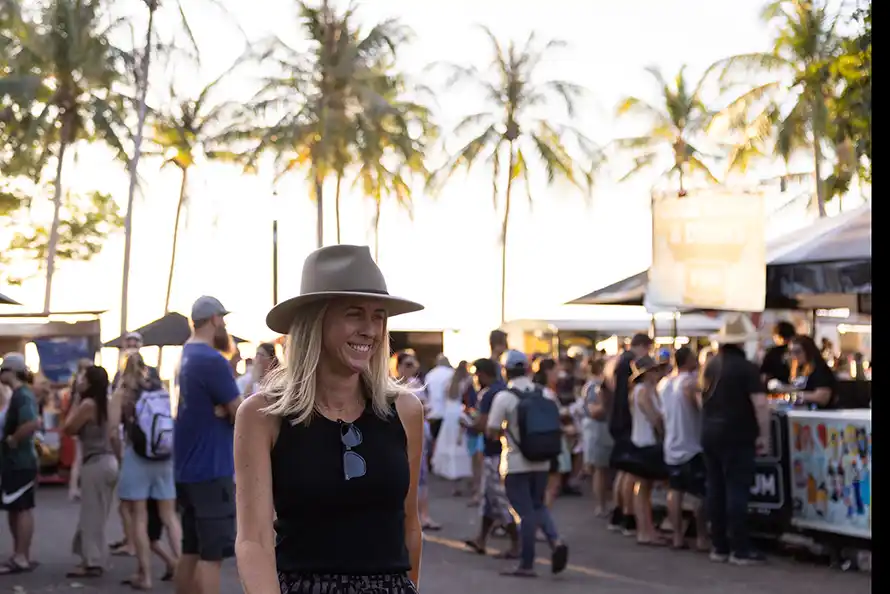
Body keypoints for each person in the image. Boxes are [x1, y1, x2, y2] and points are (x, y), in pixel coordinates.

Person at [234, 244, 425, 593]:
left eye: (379, 316)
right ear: (315, 320)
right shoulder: (262, 416)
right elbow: (254, 541)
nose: (370, 329)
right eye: (355, 313)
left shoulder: (405, 411)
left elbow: (410, 525)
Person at [174, 296, 243, 594]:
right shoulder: (213, 360)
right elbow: (240, 412)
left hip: (186, 468)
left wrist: (222, 411)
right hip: (211, 468)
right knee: (211, 556)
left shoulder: (185, 355)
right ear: (214, 319)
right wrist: (228, 412)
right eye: (223, 319)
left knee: (190, 550)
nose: (225, 324)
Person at [486, 350, 568, 578]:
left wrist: (504, 431)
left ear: (504, 371)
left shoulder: (504, 397)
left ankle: (527, 563)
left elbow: (492, 430)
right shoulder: (546, 394)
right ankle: (555, 541)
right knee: (538, 505)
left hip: (515, 462)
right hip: (542, 461)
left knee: (524, 512)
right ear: (528, 369)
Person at [701, 314, 771, 566]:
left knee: (716, 489)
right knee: (736, 490)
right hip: (737, 434)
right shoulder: (747, 368)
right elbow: (760, 404)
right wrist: (764, 436)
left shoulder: (710, 365)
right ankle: (740, 547)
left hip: (710, 433)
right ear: (742, 342)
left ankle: (719, 545)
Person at [111, 352, 182, 590]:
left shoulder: (123, 394)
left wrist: (121, 456)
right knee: (170, 517)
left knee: (139, 517)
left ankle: (146, 576)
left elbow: (113, 431)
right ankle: (184, 569)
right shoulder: (158, 390)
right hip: (164, 457)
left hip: (137, 457)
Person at [62, 365, 119, 578]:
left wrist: (76, 397)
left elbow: (69, 428)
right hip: (110, 461)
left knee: (91, 515)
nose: (80, 380)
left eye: (83, 378)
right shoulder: (108, 402)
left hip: (95, 463)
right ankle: (92, 557)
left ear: (90, 382)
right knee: (98, 514)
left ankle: (92, 562)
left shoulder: (87, 404)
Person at [463, 357, 519, 559]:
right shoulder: (505, 389)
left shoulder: (489, 394)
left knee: (499, 500)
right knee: (488, 500)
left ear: (482, 373)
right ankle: (481, 539)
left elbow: (483, 426)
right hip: (505, 451)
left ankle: (517, 544)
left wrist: (467, 423)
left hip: (494, 454)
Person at [606, 333, 654, 535]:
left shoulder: (617, 361)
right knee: (630, 472)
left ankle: (620, 514)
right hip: (626, 422)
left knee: (624, 471)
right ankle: (627, 516)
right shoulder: (628, 362)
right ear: (643, 346)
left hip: (617, 419)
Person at [661, 347, 708, 552]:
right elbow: (701, 407)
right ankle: (701, 537)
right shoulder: (688, 382)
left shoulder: (664, 384)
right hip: (691, 443)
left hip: (671, 442)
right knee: (700, 493)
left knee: (675, 490)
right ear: (688, 360)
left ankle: (677, 535)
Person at [0, 353, 40, 574]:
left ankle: (21, 556)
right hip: (16, 461)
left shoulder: (22, 395)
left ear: (12, 371)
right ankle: (20, 554)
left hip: (20, 461)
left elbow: (32, 422)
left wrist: (14, 439)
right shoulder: (20, 394)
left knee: (21, 507)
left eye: (3, 370)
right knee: (16, 508)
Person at [628, 355, 668, 546]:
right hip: (646, 443)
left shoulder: (640, 390)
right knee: (644, 488)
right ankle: (645, 531)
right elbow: (654, 417)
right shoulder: (643, 391)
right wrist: (663, 430)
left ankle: (646, 529)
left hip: (641, 441)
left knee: (644, 488)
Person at [431, 361, 473, 487]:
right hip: (457, 411)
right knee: (459, 442)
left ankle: (451, 476)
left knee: (448, 443)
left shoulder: (448, 383)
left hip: (448, 413)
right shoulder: (464, 382)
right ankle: (462, 474)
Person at [581, 358, 613, 516]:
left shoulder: (596, 386)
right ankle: (601, 506)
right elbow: (594, 411)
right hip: (598, 429)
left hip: (602, 429)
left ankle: (605, 504)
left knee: (604, 470)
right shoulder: (595, 387)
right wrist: (609, 402)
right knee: (600, 469)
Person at [788, 335, 837, 409]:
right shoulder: (802, 368)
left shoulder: (820, 369)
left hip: (823, 415)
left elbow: (822, 397)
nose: (794, 356)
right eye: (791, 352)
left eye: (797, 352)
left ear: (808, 351)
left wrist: (798, 395)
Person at [424, 354, 454, 443]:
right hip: (448, 413)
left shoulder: (430, 375)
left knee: (435, 441)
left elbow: (427, 393)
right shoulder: (451, 373)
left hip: (433, 413)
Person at [761, 321, 795, 386]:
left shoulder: (772, 352)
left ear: (778, 336)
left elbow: (765, 375)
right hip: (798, 389)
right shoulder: (800, 351)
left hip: (776, 391)